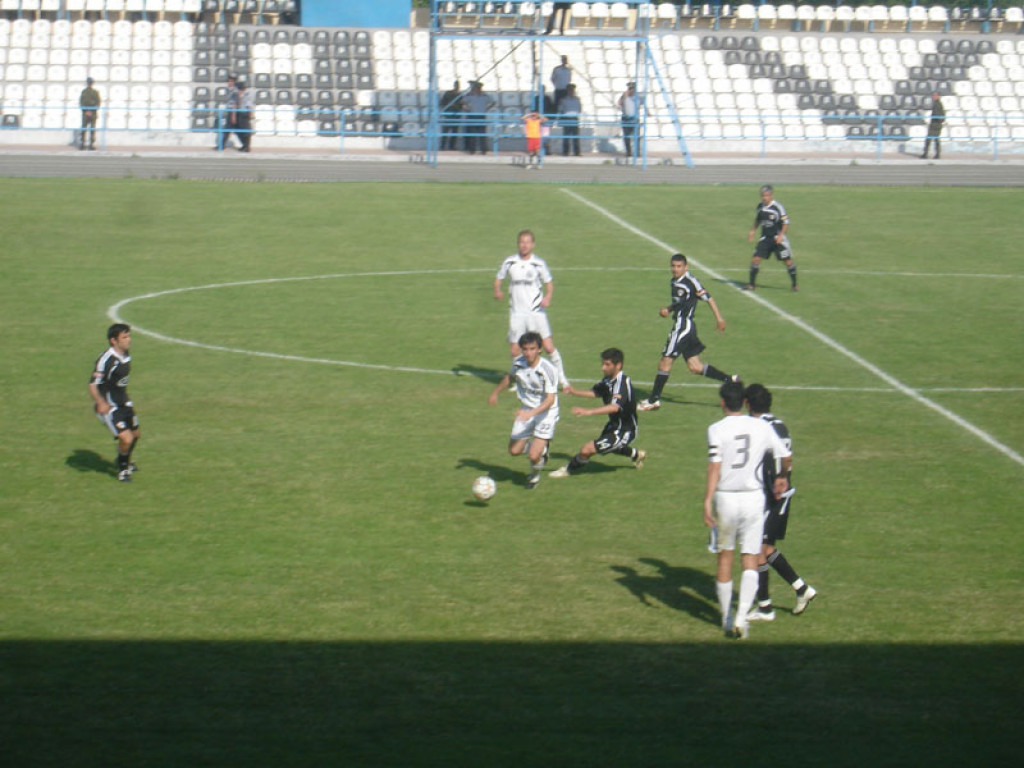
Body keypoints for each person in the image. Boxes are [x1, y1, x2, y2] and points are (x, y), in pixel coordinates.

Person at [704, 380, 791, 639]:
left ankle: (727, 619)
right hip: (754, 499)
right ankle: (742, 618)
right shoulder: (761, 426)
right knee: (750, 557)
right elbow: (785, 455)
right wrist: (782, 477)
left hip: (726, 499)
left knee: (725, 557)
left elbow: (715, 466)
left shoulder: (716, 429)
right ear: (743, 402)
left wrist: (707, 500)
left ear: (722, 402)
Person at [743, 384, 817, 621]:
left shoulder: (758, 427)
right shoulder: (779, 424)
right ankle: (801, 589)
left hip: (772, 496)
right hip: (782, 494)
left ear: (747, 403)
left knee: (757, 550)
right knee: (765, 549)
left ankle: (765, 607)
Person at [638, 253, 736, 412]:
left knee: (665, 361)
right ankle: (730, 380)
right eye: (673, 266)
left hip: (683, 326)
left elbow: (709, 298)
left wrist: (719, 319)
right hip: (686, 327)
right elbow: (681, 302)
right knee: (695, 367)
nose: (675, 269)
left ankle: (653, 400)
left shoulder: (691, 282)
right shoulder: (674, 281)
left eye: (679, 266)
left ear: (686, 267)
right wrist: (668, 309)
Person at [550, 347, 647, 478]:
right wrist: (574, 392)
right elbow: (596, 392)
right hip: (613, 425)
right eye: (602, 364)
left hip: (625, 430)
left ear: (618, 365)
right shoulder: (608, 379)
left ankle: (567, 470)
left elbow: (615, 407)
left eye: (607, 364)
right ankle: (637, 454)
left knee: (587, 449)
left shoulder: (622, 383)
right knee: (612, 447)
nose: (603, 368)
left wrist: (589, 412)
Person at [493, 229, 569, 389]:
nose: (524, 245)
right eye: (522, 242)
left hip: (536, 312)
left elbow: (549, 283)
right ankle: (520, 381)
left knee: (548, 347)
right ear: (518, 244)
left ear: (533, 244)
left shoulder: (539, 263)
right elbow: (499, 278)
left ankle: (562, 380)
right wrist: (497, 290)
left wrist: (548, 297)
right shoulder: (510, 262)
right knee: (515, 351)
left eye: (527, 242)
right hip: (517, 313)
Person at [487, 331, 560, 489]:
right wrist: (495, 392)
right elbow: (509, 378)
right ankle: (539, 450)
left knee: (534, 456)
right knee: (514, 451)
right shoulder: (519, 364)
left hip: (546, 413)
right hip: (527, 409)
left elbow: (550, 400)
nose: (528, 353)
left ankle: (534, 476)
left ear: (539, 349)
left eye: (532, 349)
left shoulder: (548, 370)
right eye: (525, 349)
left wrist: (530, 414)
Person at [89, 323, 140, 483]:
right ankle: (123, 470)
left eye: (129, 336)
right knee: (126, 438)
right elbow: (92, 385)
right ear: (113, 340)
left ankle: (125, 460)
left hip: (124, 402)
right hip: (109, 407)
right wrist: (100, 402)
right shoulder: (106, 360)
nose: (129, 339)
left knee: (136, 435)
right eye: (124, 337)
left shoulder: (125, 354)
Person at [745, 184, 798, 292]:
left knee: (787, 261)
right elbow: (758, 220)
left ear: (771, 195)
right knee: (755, 259)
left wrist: (781, 235)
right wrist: (752, 230)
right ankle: (751, 284)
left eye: (766, 195)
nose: (764, 198)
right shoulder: (760, 206)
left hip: (777, 239)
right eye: (762, 195)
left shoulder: (778, 207)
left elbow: (786, 222)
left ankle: (794, 285)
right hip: (765, 238)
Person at [462, 81, 495, 155]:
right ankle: (472, 149)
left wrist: (487, 108)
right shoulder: (470, 95)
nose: (477, 89)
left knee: (482, 134)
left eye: (478, 88)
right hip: (472, 115)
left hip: (481, 116)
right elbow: (462, 101)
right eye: (476, 88)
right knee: (472, 134)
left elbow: (493, 102)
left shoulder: (485, 96)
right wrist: (466, 107)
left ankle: (483, 149)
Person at [214, 73, 238, 151]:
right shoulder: (231, 90)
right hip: (230, 111)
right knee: (227, 130)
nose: (229, 83)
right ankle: (221, 145)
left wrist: (233, 115)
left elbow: (234, 104)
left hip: (233, 112)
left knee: (229, 129)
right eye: (228, 81)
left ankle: (221, 146)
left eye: (231, 81)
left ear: (234, 82)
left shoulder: (234, 91)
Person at [558, 83, 582, 157]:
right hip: (567, 118)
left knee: (576, 136)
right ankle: (566, 152)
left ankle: (577, 152)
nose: (571, 91)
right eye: (570, 90)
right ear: (567, 91)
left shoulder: (577, 99)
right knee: (566, 136)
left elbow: (579, 109)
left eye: (572, 90)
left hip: (574, 118)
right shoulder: (564, 100)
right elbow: (560, 109)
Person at [920, 91, 946, 160]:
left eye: (935, 95)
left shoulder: (938, 104)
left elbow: (941, 114)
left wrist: (939, 120)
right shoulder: (937, 103)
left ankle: (927, 154)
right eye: (933, 95)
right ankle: (935, 154)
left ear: (938, 96)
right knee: (934, 139)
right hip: (935, 123)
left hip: (935, 124)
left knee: (930, 139)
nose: (933, 97)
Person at [440, 79, 463, 151]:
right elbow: (442, 102)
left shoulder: (460, 95)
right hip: (448, 114)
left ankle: (452, 146)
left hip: (457, 114)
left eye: (458, 85)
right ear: (454, 85)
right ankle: (442, 146)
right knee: (445, 131)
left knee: (454, 131)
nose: (457, 86)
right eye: (456, 85)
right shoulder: (448, 93)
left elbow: (462, 104)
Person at [78, 76, 101, 151]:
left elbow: (98, 103)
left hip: (89, 113)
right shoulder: (86, 92)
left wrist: (87, 111)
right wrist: (88, 111)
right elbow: (81, 102)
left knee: (89, 129)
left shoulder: (93, 92)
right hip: (90, 113)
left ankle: (87, 144)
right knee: (87, 129)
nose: (89, 83)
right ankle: (86, 144)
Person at [618, 81, 638, 158]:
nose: (631, 90)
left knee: (636, 137)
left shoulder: (637, 97)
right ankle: (628, 152)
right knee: (626, 137)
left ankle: (636, 152)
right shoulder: (624, 96)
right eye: (630, 88)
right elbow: (620, 103)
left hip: (634, 118)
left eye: (632, 88)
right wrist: (625, 96)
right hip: (626, 118)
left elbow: (643, 104)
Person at [234, 81, 254, 152]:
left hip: (245, 114)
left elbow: (249, 105)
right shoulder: (237, 95)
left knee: (246, 131)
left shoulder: (247, 95)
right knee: (238, 130)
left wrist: (251, 114)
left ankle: (247, 147)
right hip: (239, 113)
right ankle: (244, 145)